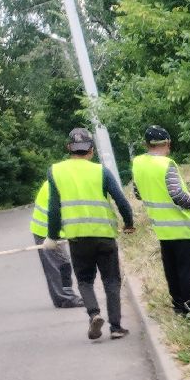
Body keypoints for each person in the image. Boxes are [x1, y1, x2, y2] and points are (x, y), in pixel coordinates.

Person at [46, 127, 136, 341]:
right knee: (111, 281)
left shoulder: (55, 171)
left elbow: (54, 207)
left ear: (69, 148)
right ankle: (115, 327)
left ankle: (94, 314)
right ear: (91, 150)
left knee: (85, 281)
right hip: (104, 236)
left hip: (78, 238)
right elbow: (121, 201)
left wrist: (52, 235)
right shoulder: (101, 171)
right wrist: (129, 223)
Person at [131, 125, 190, 314]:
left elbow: (137, 193)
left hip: (161, 227)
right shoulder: (166, 164)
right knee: (188, 270)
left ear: (146, 144)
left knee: (171, 269)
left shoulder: (138, 163)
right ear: (168, 142)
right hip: (180, 227)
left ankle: (178, 305)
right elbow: (178, 196)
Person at [28, 180, 83, 308]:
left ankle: (65, 297)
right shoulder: (60, 187)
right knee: (57, 266)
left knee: (63, 264)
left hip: (51, 230)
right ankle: (65, 299)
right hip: (45, 232)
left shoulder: (59, 181)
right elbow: (63, 214)